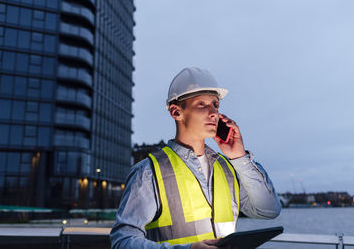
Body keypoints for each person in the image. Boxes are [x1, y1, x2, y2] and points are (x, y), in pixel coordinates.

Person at [111, 67, 281, 249]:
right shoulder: (148, 172)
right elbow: (123, 241)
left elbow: (268, 210)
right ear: (176, 112)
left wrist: (239, 157)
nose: (214, 112)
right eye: (202, 104)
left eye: (216, 105)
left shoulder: (228, 168)